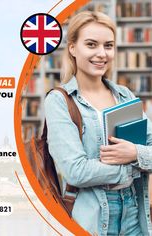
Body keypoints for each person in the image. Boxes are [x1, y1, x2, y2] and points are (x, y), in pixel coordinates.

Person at [44, 11, 152, 235]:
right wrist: (134, 165)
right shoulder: (59, 100)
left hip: (135, 213)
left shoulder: (124, 95)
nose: (101, 54)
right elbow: (77, 171)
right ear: (73, 48)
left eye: (108, 45)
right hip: (93, 216)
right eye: (91, 45)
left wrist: (133, 152)